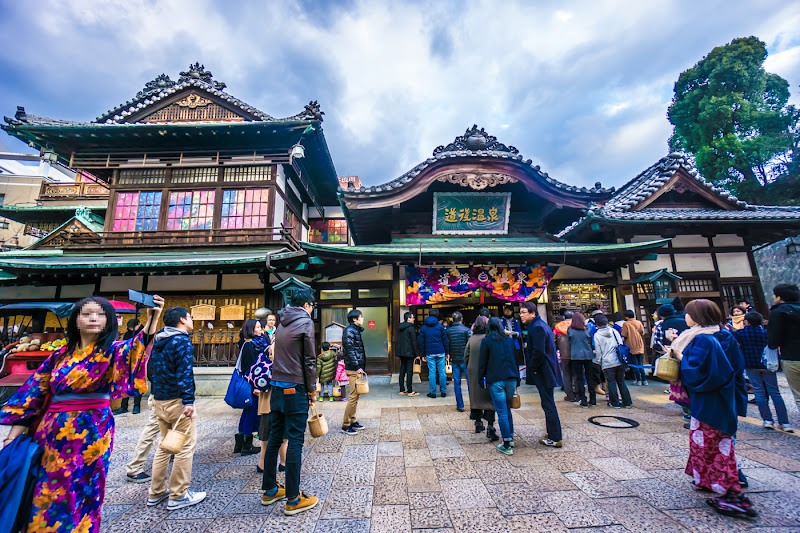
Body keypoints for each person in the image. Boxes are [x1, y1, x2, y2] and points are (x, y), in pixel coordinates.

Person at [1, 296, 164, 531]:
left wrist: (152, 318)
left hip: (90, 433)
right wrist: (12, 437)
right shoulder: (58, 356)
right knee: (45, 489)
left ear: (109, 321)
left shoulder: (113, 351)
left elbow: (137, 349)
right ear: (76, 320)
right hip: (50, 433)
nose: (93, 318)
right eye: (86, 313)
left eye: (100, 314)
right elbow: (33, 394)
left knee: (80, 490)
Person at [670, 299, 755, 517]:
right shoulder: (724, 334)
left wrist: (678, 353)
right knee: (714, 442)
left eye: (688, 313)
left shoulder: (702, 340)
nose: (685, 317)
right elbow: (735, 367)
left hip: (711, 401)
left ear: (697, 316)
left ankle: (732, 495)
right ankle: (709, 481)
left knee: (714, 444)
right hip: (725, 397)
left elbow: (696, 371)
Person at [261, 289, 319, 515]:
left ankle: (270, 489)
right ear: (306, 305)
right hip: (295, 386)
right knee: (295, 440)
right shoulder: (305, 321)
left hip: (276, 385)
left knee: (275, 437)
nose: (312, 309)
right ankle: (293, 499)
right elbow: (309, 359)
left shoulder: (282, 320)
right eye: (312, 305)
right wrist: (312, 389)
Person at [146, 306, 206, 510]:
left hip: (160, 399)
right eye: (190, 317)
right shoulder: (181, 340)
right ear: (182, 319)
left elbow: (150, 370)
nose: (192, 321)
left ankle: (156, 492)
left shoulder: (159, 340)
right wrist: (188, 400)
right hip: (178, 401)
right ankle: (178, 494)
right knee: (184, 447)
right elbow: (184, 372)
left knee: (165, 446)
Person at [735, 312, 792, 432]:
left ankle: (767, 420)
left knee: (759, 392)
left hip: (750, 365)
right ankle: (784, 422)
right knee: (775, 392)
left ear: (746, 322)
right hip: (767, 365)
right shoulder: (766, 333)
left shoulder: (740, 333)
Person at [520, 301, 563, 447]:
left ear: (533, 313)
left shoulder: (537, 327)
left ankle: (555, 438)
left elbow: (539, 352)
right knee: (548, 402)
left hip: (544, 371)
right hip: (546, 370)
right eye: (520, 313)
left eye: (524, 312)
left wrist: (533, 367)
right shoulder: (540, 325)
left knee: (548, 404)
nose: (521, 315)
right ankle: (553, 433)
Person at [478, 317, 520, 455]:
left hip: (496, 379)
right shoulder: (508, 340)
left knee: (501, 410)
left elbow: (482, 362)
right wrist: (517, 379)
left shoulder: (487, 341)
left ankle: (507, 443)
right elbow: (515, 359)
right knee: (507, 408)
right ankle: (511, 436)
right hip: (511, 378)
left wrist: (481, 379)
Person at [767, 283, 800, 419]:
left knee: (798, 394)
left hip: (792, 356)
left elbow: (774, 341)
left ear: (779, 297)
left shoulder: (778, 312)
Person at [234, 319, 265, 456]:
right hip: (251, 385)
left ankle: (240, 443)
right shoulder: (249, 345)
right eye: (258, 327)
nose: (261, 330)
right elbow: (249, 368)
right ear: (251, 330)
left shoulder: (255, 344)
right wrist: (254, 386)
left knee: (247, 413)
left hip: (252, 384)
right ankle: (246, 445)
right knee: (250, 413)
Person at [465, 315, 498, 441]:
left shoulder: (472, 339)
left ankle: (478, 423)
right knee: (489, 400)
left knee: (476, 398)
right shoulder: (490, 338)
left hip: (473, 372)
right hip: (488, 372)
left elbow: (466, 356)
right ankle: (490, 426)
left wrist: (469, 367)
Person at [593, 314, 632, 409]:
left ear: (597, 324)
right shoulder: (614, 331)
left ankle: (614, 402)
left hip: (607, 361)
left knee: (611, 382)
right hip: (618, 360)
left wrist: (598, 361)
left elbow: (598, 351)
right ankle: (627, 402)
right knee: (621, 381)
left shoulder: (597, 335)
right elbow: (621, 344)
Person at [341, 309, 367, 435]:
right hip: (353, 368)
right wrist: (357, 367)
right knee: (353, 396)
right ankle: (346, 424)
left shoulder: (354, 330)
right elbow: (350, 350)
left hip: (356, 367)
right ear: (354, 319)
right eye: (360, 317)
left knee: (356, 395)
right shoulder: (350, 331)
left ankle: (352, 420)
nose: (362, 319)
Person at [114, 318, 146, 415]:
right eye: (130, 328)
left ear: (138, 324)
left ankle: (137, 406)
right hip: (128, 361)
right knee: (125, 383)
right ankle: (124, 406)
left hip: (140, 361)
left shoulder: (144, 333)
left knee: (137, 383)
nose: (131, 329)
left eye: (133, 327)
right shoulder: (128, 334)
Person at [569, 312, 597, 407]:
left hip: (576, 355)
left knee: (579, 377)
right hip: (588, 355)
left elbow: (569, 341)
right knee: (590, 377)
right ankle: (593, 399)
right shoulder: (587, 329)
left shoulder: (570, 329)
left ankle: (583, 399)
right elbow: (590, 341)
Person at [419, 308, 448, 398]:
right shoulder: (440, 327)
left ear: (428, 315)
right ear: (437, 316)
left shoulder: (424, 327)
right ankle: (443, 391)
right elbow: (445, 340)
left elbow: (421, 342)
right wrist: (447, 352)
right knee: (442, 372)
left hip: (429, 352)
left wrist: (423, 354)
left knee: (431, 373)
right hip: (440, 351)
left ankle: (433, 392)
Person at [447, 311, 471, 411]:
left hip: (455, 359)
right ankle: (473, 404)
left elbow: (447, 344)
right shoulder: (466, 330)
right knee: (470, 383)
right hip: (465, 360)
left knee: (457, 383)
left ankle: (460, 405)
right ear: (461, 319)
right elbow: (470, 345)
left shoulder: (448, 331)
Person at [554, 310, 576, 402]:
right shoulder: (576, 325)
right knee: (576, 374)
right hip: (576, 354)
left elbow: (553, 340)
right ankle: (578, 393)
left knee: (566, 374)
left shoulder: (557, 327)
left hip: (564, 354)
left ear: (563, 317)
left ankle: (569, 395)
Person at [621, 310, 647, 386]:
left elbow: (624, 334)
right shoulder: (639, 322)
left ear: (626, 316)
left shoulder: (626, 324)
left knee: (635, 363)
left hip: (631, 344)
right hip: (639, 343)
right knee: (640, 363)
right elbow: (642, 332)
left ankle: (638, 380)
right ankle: (644, 380)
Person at [397, 311, 420, 397]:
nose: (414, 319)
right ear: (408, 319)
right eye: (412, 317)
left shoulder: (400, 327)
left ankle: (402, 389)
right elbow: (414, 342)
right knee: (409, 372)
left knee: (402, 370)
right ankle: (410, 391)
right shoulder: (411, 328)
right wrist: (417, 354)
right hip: (409, 352)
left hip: (401, 352)